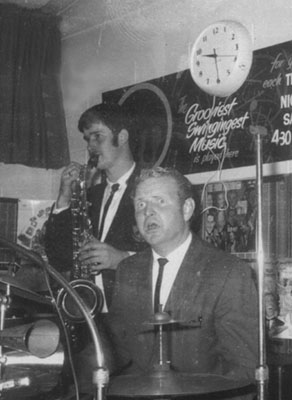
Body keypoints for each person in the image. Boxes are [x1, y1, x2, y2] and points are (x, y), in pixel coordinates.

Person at [104, 167, 258, 394]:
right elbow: (118, 354)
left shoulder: (228, 272)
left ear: (187, 209)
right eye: (140, 204)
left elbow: (244, 371)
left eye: (159, 201)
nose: (148, 212)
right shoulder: (128, 270)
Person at [44, 102, 147, 310]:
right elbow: (58, 257)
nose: (90, 146)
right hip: (87, 310)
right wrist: (64, 197)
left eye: (98, 136)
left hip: (132, 312)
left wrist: (121, 259)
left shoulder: (151, 188)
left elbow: (170, 253)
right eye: (87, 139)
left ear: (122, 137)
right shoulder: (89, 195)